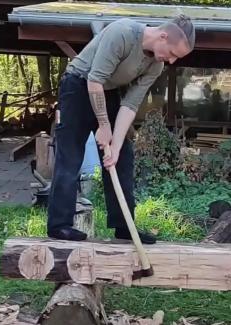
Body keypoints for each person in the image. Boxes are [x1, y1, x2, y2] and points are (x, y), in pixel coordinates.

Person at [47, 14, 196, 243]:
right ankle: (59, 225)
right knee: (71, 156)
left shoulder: (155, 65)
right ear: (163, 36)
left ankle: (124, 226)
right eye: (174, 53)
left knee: (122, 158)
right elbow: (94, 79)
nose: (172, 61)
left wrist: (115, 145)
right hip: (78, 85)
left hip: (108, 92)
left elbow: (130, 104)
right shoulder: (123, 33)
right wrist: (104, 125)